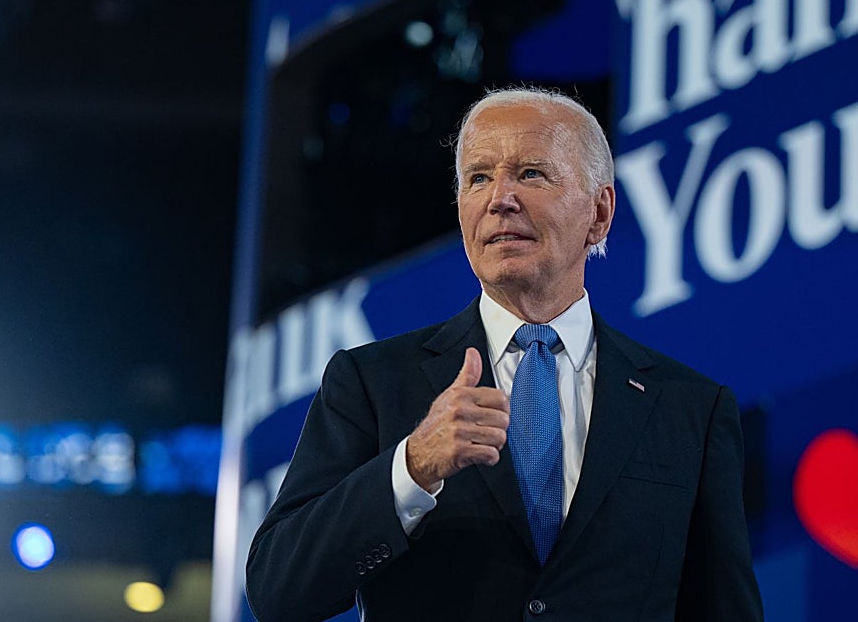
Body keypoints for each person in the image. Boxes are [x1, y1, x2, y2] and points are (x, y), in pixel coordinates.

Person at [245, 87, 763, 621]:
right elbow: (278, 590)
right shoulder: (371, 382)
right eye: (478, 178)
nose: (499, 199)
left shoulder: (690, 408)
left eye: (531, 174)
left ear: (599, 212)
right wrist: (413, 466)